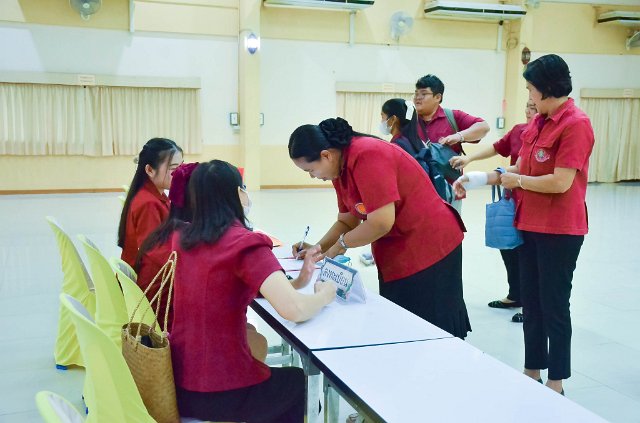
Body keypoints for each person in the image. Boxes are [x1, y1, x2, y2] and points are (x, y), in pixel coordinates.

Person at [453, 54, 594, 395]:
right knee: (531, 301)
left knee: (554, 304)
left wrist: (517, 182)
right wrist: (480, 178)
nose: (528, 95)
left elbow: (560, 182)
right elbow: (519, 167)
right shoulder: (537, 122)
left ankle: (556, 380)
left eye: (531, 88)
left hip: (560, 230)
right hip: (529, 223)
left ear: (546, 88)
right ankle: (532, 371)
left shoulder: (576, 124)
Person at [169, 160, 336, 423]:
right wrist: (325, 294)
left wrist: (297, 282)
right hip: (223, 390)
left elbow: (223, 286)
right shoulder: (245, 243)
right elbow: (294, 309)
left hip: (180, 383)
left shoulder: (182, 239)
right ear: (238, 193)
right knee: (298, 386)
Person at [289, 117, 470, 339]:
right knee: (400, 321)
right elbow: (347, 222)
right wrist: (317, 248)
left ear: (326, 155)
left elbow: (381, 222)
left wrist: (340, 246)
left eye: (310, 170)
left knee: (430, 326)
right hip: (398, 248)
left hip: (429, 244)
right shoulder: (339, 168)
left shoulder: (368, 154)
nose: (312, 176)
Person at [136, 162, 269, 361]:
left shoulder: (171, 233)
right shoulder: (187, 243)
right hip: (177, 341)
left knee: (249, 331)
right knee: (254, 339)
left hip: (164, 330)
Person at [450, 100, 538, 323]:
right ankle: (515, 294)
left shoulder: (546, 135)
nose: (529, 111)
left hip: (534, 199)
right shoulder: (519, 131)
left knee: (528, 254)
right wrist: (470, 158)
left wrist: (488, 177)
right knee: (509, 246)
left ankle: (532, 307)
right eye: (528, 106)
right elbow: (498, 148)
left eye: (534, 108)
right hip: (512, 196)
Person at [403, 74, 490, 211]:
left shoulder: (452, 117)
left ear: (438, 97)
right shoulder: (409, 121)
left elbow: (483, 127)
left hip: (450, 190)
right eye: (416, 93)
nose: (417, 97)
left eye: (423, 94)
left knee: (450, 224)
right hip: (417, 189)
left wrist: (459, 136)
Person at [118, 138, 183, 268]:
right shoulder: (148, 204)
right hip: (147, 275)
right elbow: (154, 253)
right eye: (173, 168)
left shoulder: (155, 194)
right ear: (149, 170)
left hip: (149, 268)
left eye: (181, 166)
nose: (180, 173)